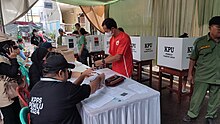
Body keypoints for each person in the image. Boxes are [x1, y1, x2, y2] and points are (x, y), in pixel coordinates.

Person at [29, 54, 105, 124]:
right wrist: (99, 77)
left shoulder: (35, 87)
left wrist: (82, 76)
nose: (68, 74)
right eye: (67, 71)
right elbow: (91, 88)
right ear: (60, 73)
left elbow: (71, 90)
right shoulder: (65, 90)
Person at [183, 16, 220, 124]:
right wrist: (190, 74)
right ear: (210, 28)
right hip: (202, 76)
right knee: (197, 98)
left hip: (218, 77)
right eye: (218, 27)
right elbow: (193, 59)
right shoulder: (200, 42)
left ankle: (210, 116)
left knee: (215, 99)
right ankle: (192, 114)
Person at [0, 40, 21, 124]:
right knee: (10, 118)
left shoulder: (4, 56)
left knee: (17, 114)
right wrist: (13, 59)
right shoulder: (1, 59)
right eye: (13, 47)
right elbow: (12, 72)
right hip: (4, 94)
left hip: (11, 92)